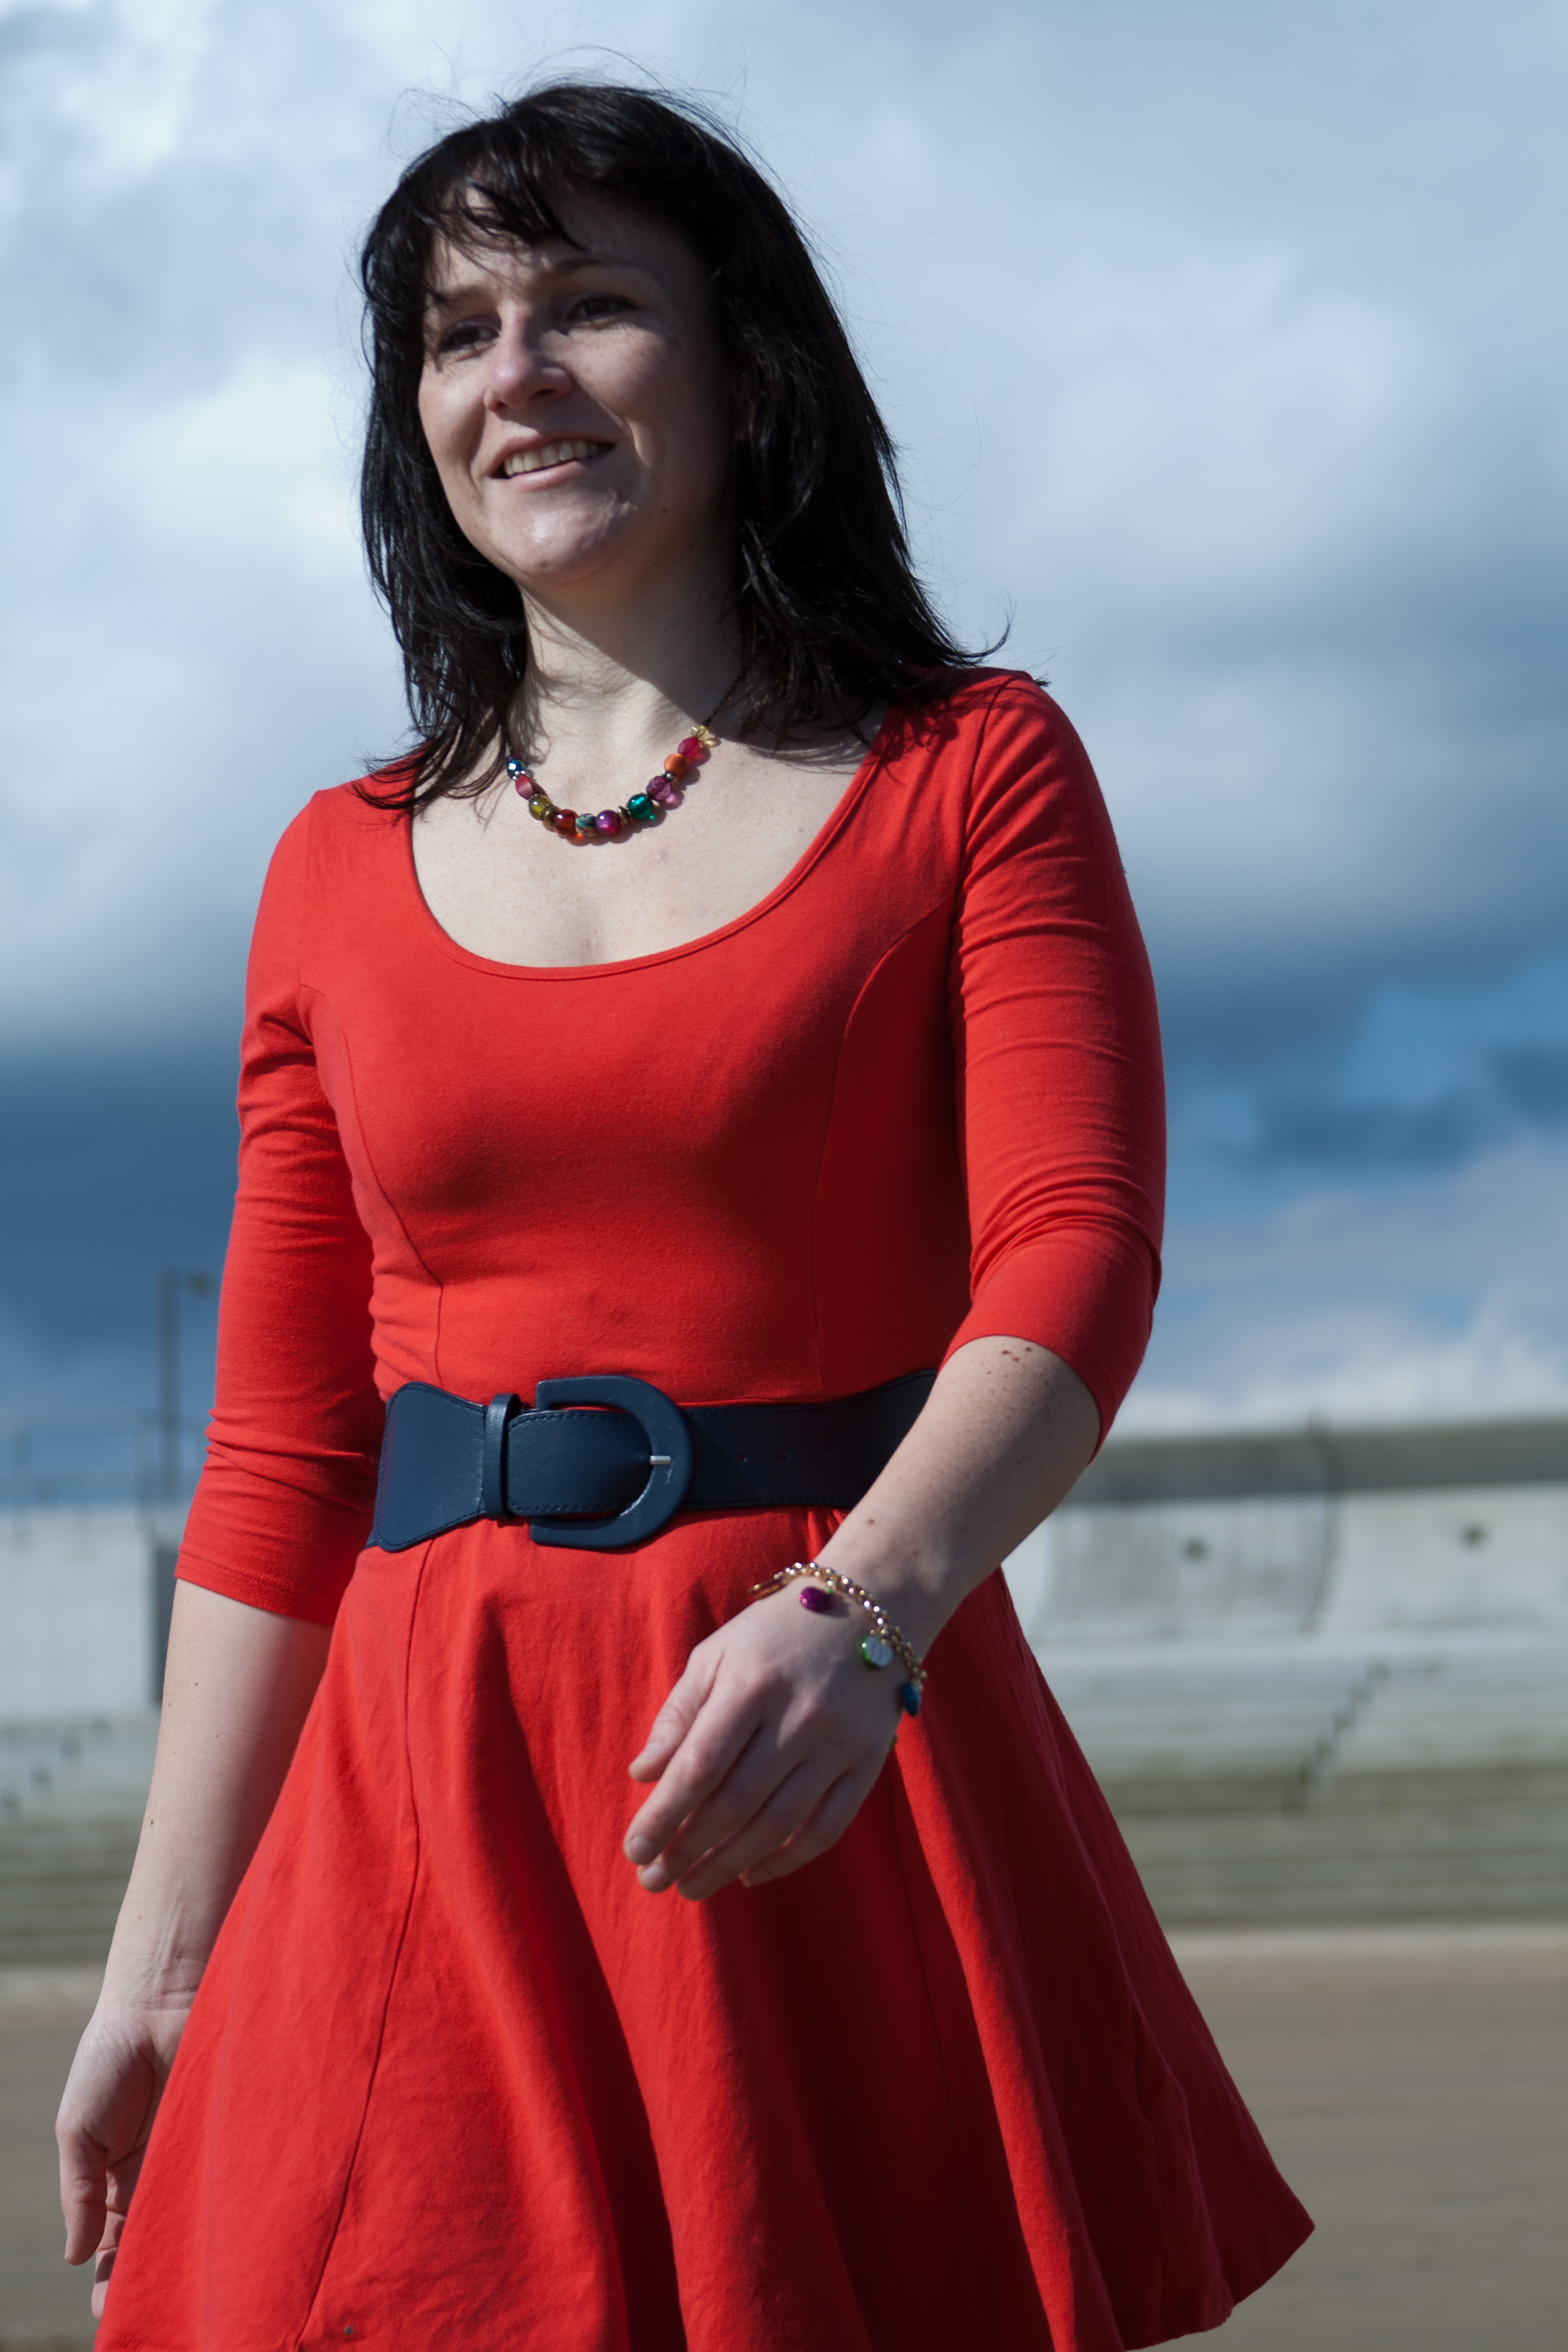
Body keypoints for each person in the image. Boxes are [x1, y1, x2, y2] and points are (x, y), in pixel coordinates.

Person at [58, 81, 1310, 2352]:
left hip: (818, 1744)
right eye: (458, 332)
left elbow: (1073, 1253)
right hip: (424, 1783)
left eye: (589, 306)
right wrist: (161, 1962)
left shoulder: (971, 768)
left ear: (745, 368)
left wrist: (866, 1614)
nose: (516, 371)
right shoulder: (329, 867)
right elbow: (283, 1454)